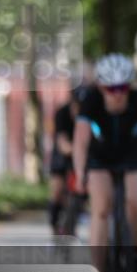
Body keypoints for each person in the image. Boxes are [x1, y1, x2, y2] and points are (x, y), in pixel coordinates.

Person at [72, 53, 137, 272]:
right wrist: (80, 173)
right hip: (99, 157)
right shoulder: (90, 100)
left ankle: (134, 254)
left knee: (134, 201)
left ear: (130, 86)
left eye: (123, 88)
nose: (117, 94)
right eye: (111, 89)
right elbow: (80, 141)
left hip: (132, 156)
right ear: (101, 86)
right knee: (100, 209)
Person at [47, 85, 89, 234]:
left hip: (84, 155)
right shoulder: (62, 114)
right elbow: (62, 143)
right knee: (57, 190)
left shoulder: (91, 115)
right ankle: (54, 224)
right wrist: (76, 150)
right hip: (63, 155)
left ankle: (79, 212)